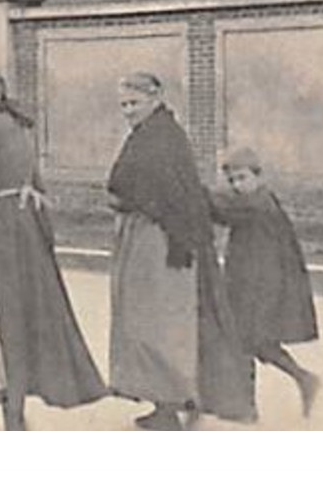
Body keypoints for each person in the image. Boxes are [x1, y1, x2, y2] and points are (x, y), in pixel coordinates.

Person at [0, 58, 106, 430]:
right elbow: (37, 180)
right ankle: (16, 404)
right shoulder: (17, 126)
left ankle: (12, 409)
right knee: (24, 310)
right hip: (24, 222)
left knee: (0, 312)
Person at [107, 71, 254, 430]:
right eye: (124, 104)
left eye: (134, 103)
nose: (128, 111)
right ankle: (167, 403)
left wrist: (142, 209)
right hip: (145, 234)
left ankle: (172, 404)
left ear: (155, 97)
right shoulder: (147, 134)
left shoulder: (164, 138)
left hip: (162, 239)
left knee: (159, 322)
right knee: (147, 319)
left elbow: (172, 192)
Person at [209, 145, 321, 418]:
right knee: (247, 342)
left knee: (252, 341)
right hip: (252, 280)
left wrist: (195, 193)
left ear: (258, 176)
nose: (238, 185)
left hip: (262, 284)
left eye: (243, 178)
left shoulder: (258, 202)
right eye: (233, 180)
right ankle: (255, 403)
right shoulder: (255, 200)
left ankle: (297, 381)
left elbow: (224, 211)